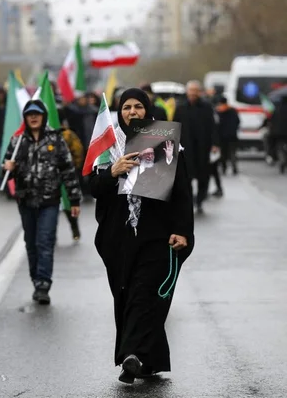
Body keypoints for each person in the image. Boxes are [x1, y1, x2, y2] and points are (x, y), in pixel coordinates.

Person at [90, 88, 194, 384]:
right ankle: (152, 359)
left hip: (155, 235)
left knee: (143, 293)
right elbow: (92, 187)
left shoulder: (165, 141)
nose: (131, 112)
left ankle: (131, 355)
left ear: (147, 110)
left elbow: (182, 193)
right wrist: (112, 172)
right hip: (119, 237)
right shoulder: (109, 146)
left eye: (137, 107)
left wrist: (182, 230)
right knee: (126, 294)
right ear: (119, 112)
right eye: (126, 108)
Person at [3, 100, 82, 305]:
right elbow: (5, 173)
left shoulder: (55, 140)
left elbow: (68, 171)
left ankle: (43, 284)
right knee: (31, 243)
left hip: (49, 201)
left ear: (43, 116)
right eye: (29, 114)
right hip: (26, 200)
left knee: (44, 242)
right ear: (25, 118)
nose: (33, 117)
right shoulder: (17, 141)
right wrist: (7, 168)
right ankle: (36, 278)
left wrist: (74, 199)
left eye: (37, 114)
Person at [173, 80, 219, 214]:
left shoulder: (206, 107)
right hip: (186, 149)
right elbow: (175, 127)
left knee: (203, 176)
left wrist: (215, 144)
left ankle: (200, 200)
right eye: (190, 90)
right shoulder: (180, 107)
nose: (193, 93)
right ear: (187, 92)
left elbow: (213, 127)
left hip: (203, 148)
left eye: (195, 90)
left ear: (199, 92)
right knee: (187, 177)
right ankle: (190, 201)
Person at [61, 118, 85, 240]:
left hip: (66, 175)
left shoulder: (67, 135)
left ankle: (74, 227)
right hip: (51, 179)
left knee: (68, 204)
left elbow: (77, 150)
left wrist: (74, 167)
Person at [216, 96, 240, 176]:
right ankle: (227, 168)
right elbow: (238, 122)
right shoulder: (232, 111)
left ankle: (231, 168)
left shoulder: (219, 112)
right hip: (227, 137)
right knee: (226, 154)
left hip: (227, 137)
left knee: (229, 153)